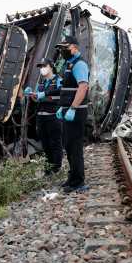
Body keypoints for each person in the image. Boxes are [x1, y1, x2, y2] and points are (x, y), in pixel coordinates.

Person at [56, 36, 90, 193]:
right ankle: (72, 177)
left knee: (75, 147)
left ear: (74, 47)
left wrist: (73, 108)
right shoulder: (69, 64)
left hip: (76, 111)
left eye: (65, 47)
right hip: (67, 110)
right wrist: (62, 108)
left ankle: (78, 181)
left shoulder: (79, 64)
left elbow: (83, 87)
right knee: (69, 146)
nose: (62, 50)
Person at [24, 57, 63, 176]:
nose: (42, 69)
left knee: (55, 143)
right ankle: (48, 168)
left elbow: (61, 92)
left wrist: (44, 96)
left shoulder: (58, 80)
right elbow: (37, 99)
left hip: (53, 116)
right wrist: (31, 95)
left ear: (51, 66)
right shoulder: (41, 83)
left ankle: (56, 168)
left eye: (44, 66)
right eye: (40, 67)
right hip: (41, 117)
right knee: (45, 144)